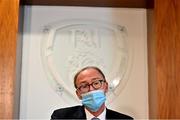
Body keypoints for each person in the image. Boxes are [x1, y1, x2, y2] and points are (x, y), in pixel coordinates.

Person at [51, 66, 133, 119]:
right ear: (78, 94)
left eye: (96, 83)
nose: (91, 89)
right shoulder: (61, 117)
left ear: (106, 87)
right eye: (84, 86)